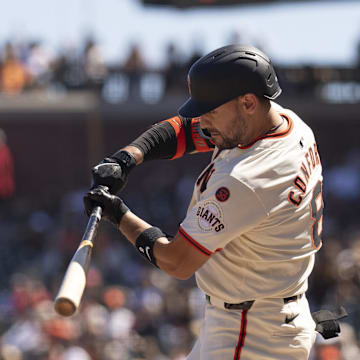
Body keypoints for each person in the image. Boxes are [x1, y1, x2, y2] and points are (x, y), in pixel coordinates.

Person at [84, 45, 334, 359]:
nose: (204, 120)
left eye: (212, 110)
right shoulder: (286, 123)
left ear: (247, 102)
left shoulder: (247, 178)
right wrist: (126, 159)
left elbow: (177, 261)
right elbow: (187, 131)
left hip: (251, 332)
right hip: (259, 315)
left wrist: (117, 214)